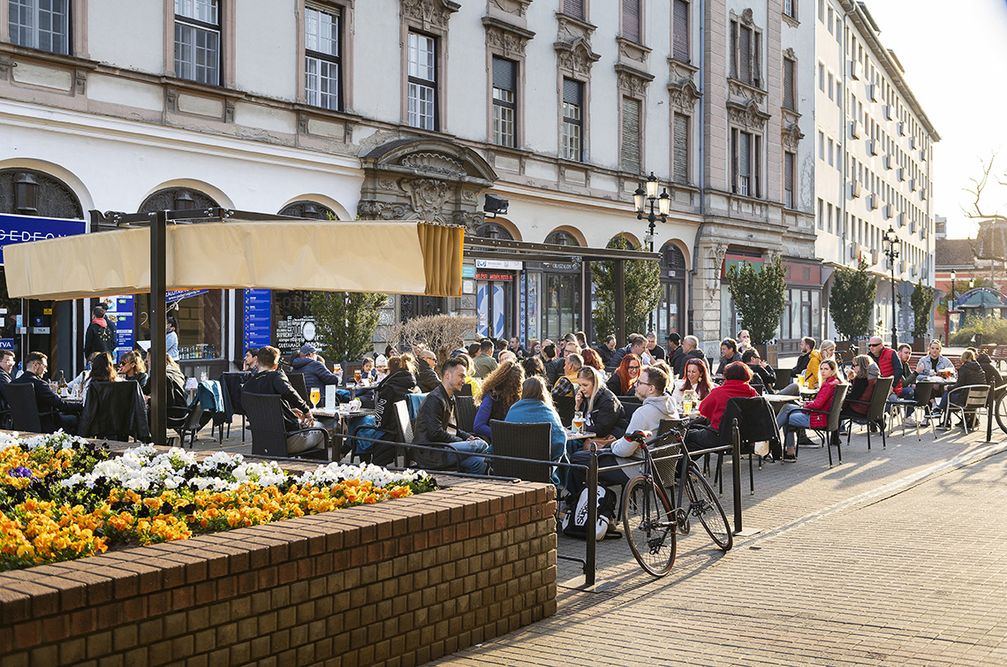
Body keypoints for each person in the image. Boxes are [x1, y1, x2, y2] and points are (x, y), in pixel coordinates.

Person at [568, 367, 677, 506]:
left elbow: (623, 451)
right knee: (587, 456)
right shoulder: (672, 410)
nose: (635, 386)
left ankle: (582, 508)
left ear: (651, 389)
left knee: (577, 459)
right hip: (662, 468)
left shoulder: (643, 413)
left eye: (640, 383)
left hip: (636, 467)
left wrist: (611, 444)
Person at [242, 346, 328, 455]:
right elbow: (290, 393)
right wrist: (307, 411)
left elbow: (259, 408)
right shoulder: (276, 377)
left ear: (257, 362)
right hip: (286, 441)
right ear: (276, 365)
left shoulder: (248, 386)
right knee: (321, 428)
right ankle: (313, 469)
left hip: (262, 443)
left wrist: (288, 410)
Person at [413, 357, 489, 474]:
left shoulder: (450, 397)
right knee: (482, 444)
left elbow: (452, 428)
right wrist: (461, 441)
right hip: (432, 453)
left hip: (445, 448)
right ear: (447, 375)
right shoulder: (434, 399)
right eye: (461, 376)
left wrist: (467, 437)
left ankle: (469, 490)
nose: (464, 381)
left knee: (479, 462)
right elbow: (435, 433)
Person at [505, 376, 567, 489]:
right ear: (543, 392)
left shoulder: (513, 409)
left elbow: (505, 438)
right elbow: (560, 444)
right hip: (542, 470)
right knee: (566, 458)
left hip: (513, 468)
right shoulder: (550, 412)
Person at [777, 359, 845, 459]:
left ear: (833, 370)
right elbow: (819, 403)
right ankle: (785, 447)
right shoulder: (836, 382)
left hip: (817, 418)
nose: (822, 371)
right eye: (821, 369)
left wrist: (805, 405)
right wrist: (806, 404)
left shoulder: (828, 385)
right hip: (825, 417)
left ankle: (777, 442)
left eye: (826, 369)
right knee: (787, 407)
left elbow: (817, 405)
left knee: (787, 415)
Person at [684, 361, 758, 451]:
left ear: (726, 375)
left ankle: (680, 463)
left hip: (718, 436)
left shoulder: (719, 392)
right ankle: (686, 463)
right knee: (696, 443)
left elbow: (703, 410)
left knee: (687, 435)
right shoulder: (752, 392)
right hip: (745, 439)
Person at [12, 351, 82, 433]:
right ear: (35, 365)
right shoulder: (40, 384)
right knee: (76, 419)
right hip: (45, 424)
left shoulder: (13, 384)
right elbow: (60, 405)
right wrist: (81, 406)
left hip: (19, 425)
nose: (46, 370)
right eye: (44, 366)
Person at [369, 355, 418, 466]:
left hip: (390, 433)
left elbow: (380, 417)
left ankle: (356, 459)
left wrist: (375, 423)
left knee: (360, 426)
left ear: (390, 369)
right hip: (407, 431)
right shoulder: (412, 385)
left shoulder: (389, 387)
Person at [473, 360, 524, 442]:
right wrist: (503, 434)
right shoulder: (491, 397)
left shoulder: (518, 398)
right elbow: (478, 426)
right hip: (497, 441)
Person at [574, 366, 625, 441]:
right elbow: (577, 424)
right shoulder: (584, 397)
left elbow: (601, 430)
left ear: (595, 384)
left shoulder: (608, 400)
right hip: (586, 436)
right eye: (580, 385)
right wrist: (577, 407)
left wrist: (579, 428)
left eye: (585, 385)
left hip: (604, 439)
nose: (581, 389)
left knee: (569, 444)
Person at [936, 348, 986, 416]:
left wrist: (948, 387)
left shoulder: (964, 368)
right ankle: (940, 411)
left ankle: (939, 411)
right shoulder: (979, 368)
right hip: (979, 399)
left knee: (947, 393)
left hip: (965, 399)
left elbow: (959, 385)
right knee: (949, 393)